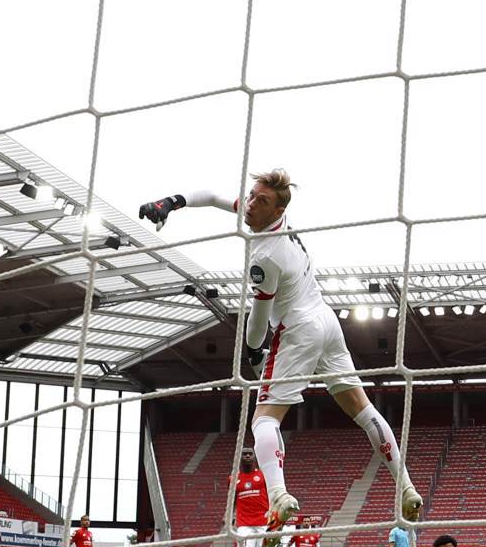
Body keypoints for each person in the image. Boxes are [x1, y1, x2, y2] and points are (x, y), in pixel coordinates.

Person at [139, 171, 423, 524]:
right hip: (326, 321)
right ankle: (406, 486)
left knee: (263, 419)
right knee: (362, 409)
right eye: (253, 196)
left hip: (299, 329)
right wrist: (171, 202)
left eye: (262, 201)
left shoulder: (266, 257)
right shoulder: (273, 222)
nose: (252, 204)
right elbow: (213, 196)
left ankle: (278, 496)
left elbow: (258, 319)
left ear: (277, 211)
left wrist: (253, 350)